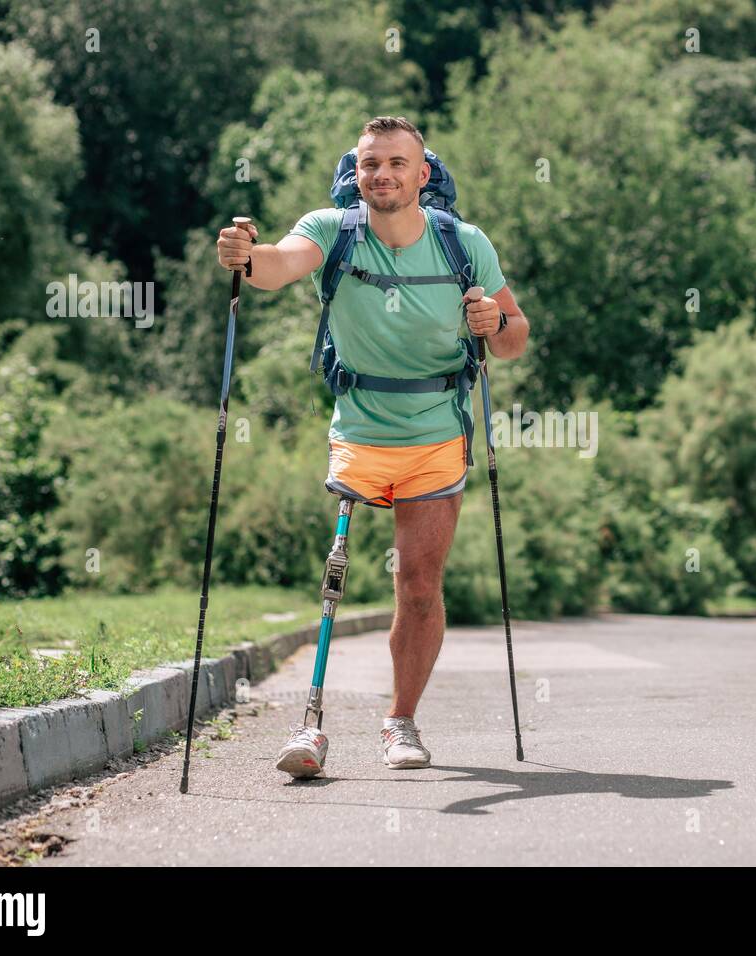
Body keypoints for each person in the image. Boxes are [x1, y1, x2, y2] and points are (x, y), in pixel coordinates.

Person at [215, 116, 529, 772]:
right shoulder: (333, 230)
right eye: (368, 164)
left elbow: (513, 336)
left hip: (437, 432)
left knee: (417, 585)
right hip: (359, 428)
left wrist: (494, 319)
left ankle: (400, 721)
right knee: (335, 577)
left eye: (394, 163)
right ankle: (310, 726)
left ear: (422, 174)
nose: (380, 174)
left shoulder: (464, 244)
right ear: (356, 174)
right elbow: (277, 265)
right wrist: (246, 257)